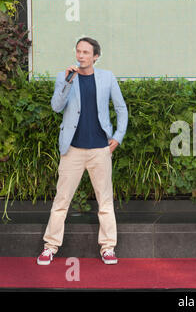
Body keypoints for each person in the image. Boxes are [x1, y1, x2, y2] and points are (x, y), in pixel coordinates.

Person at [37, 37, 128, 265]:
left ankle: (108, 247)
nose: (80, 56)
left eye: (86, 52)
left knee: (105, 202)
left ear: (95, 56)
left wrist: (117, 137)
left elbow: (121, 108)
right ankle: (50, 247)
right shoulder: (65, 76)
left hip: (100, 149)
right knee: (61, 200)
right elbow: (56, 107)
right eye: (78, 51)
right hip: (72, 150)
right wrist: (68, 82)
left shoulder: (107, 77)